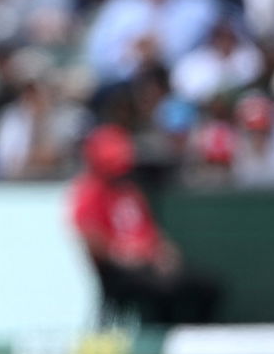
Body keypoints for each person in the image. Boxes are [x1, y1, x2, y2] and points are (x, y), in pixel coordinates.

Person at [67, 124, 221, 326]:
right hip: (118, 271)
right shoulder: (89, 193)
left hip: (149, 262)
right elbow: (91, 237)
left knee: (206, 286)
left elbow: (151, 231)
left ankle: (191, 335)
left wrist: (163, 252)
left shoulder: (130, 191)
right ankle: (161, 333)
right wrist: (123, 255)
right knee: (161, 288)